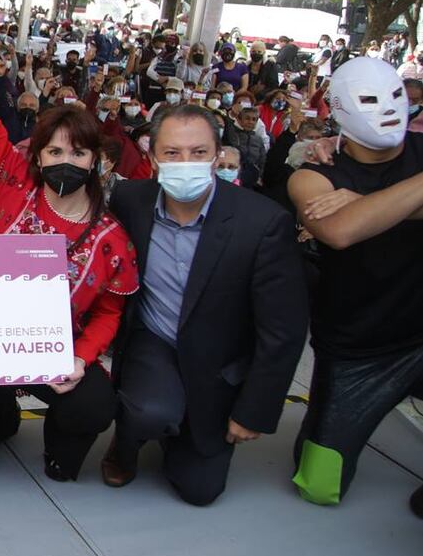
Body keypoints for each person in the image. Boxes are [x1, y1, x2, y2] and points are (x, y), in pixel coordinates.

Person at [0, 0, 138, 482]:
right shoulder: (14, 177)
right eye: (54, 150)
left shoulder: (110, 237)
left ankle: (61, 448)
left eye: (77, 152)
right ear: (36, 155)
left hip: (58, 351)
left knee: (92, 406)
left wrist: (80, 359)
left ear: (96, 161)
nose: (65, 160)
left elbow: (108, 311)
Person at [104, 104, 308, 506]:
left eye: (198, 152)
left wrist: (255, 409)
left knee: (200, 490)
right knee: (150, 410)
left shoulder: (262, 222)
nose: (186, 163)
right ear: (152, 158)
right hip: (155, 341)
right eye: (172, 153)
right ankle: (128, 439)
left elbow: (282, 329)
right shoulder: (130, 200)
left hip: (219, 362)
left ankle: (184, 430)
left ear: (218, 155)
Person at [287, 57, 423, 513]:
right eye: (368, 99)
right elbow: (341, 231)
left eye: (395, 95)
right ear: (339, 107)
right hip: (356, 347)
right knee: (318, 484)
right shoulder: (312, 173)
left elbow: (357, 218)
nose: (386, 108)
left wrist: (365, 204)